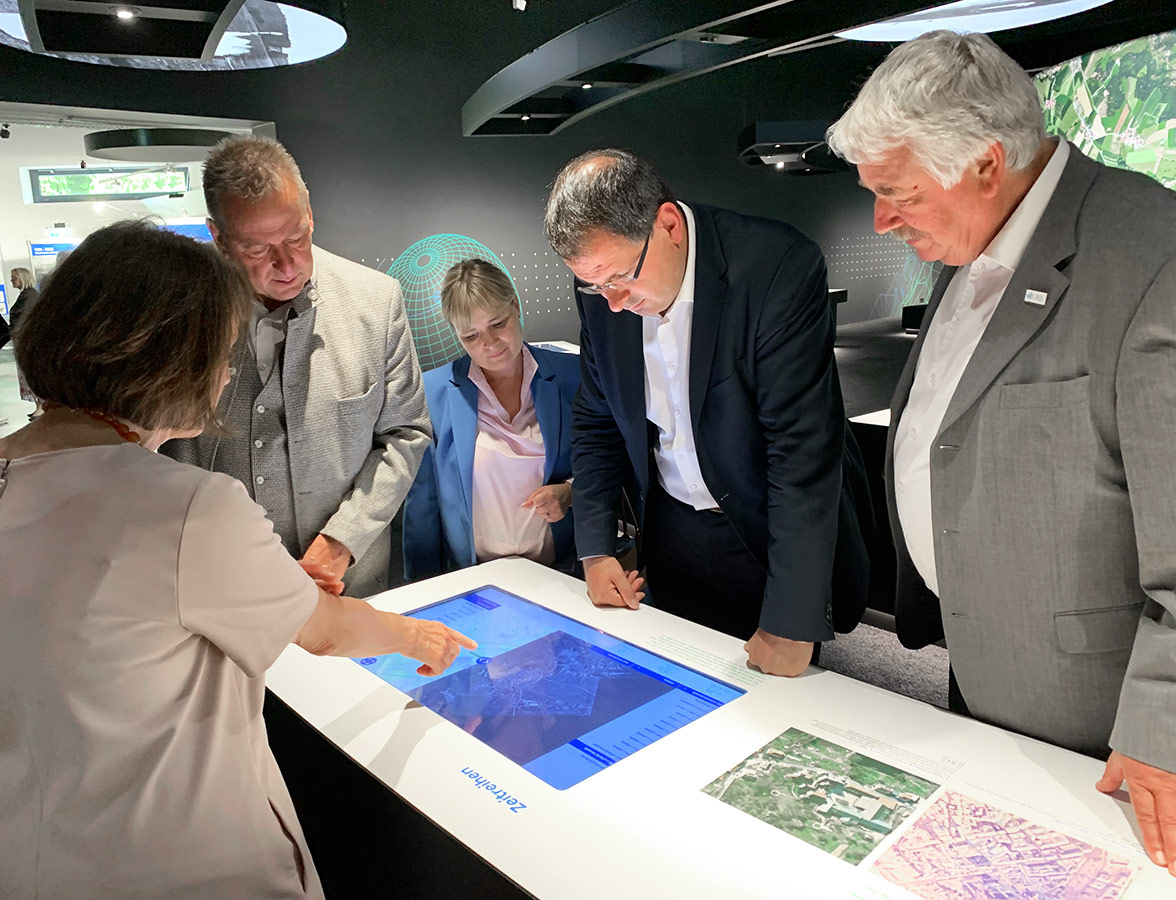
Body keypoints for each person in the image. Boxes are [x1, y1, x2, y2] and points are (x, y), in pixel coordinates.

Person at [0, 221, 475, 899]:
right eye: (222, 352)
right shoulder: (185, 507)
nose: (227, 375)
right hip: (191, 864)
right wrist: (414, 636)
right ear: (167, 355)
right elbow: (326, 629)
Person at [826, 29, 1176, 877]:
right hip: (977, 674)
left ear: (985, 162)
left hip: (1103, 739)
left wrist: (1163, 726)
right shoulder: (974, 233)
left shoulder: (1153, 257)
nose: (879, 219)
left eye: (896, 191)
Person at [544, 149, 872, 677]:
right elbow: (597, 418)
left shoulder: (775, 269)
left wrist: (791, 618)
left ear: (668, 224)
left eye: (619, 279)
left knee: (775, 709)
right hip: (671, 531)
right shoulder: (604, 293)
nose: (613, 303)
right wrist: (597, 547)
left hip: (761, 531)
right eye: (594, 285)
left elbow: (801, 453)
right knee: (678, 686)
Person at [162, 135, 430, 598]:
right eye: (257, 250)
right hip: (217, 594)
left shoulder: (376, 300)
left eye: (296, 237)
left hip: (348, 585)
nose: (286, 265)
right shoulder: (174, 312)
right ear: (219, 238)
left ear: (310, 214)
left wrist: (342, 540)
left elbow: (406, 434)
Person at [403, 259, 580, 579]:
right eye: (471, 336)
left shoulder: (571, 377)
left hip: (562, 575)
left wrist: (570, 492)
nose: (489, 344)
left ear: (515, 305)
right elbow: (423, 509)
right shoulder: (434, 394)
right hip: (476, 579)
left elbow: (606, 465)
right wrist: (421, 594)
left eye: (498, 324)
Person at [7, 268, 39, 416]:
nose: (12, 280)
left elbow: (23, 320)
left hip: (27, 344)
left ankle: (41, 406)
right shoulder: (27, 296)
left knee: (31, 373)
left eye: (14, 278)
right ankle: (39, 405)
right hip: (24, 342)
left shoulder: (29, 296)